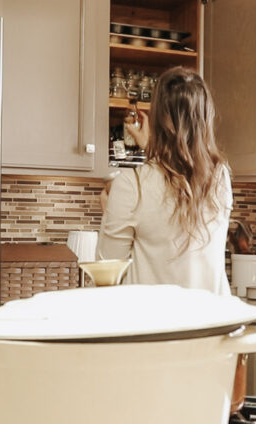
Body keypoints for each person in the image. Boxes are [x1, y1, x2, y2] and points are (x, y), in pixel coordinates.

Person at [97, 66, 233, 296]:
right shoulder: (220, 178)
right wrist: (151, 146)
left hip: (156, 328)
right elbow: (179, 172)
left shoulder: (131, 185)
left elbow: (107, 277)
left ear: (157, 119)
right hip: (213, 323)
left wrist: (107, 210)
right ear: (206, 118)